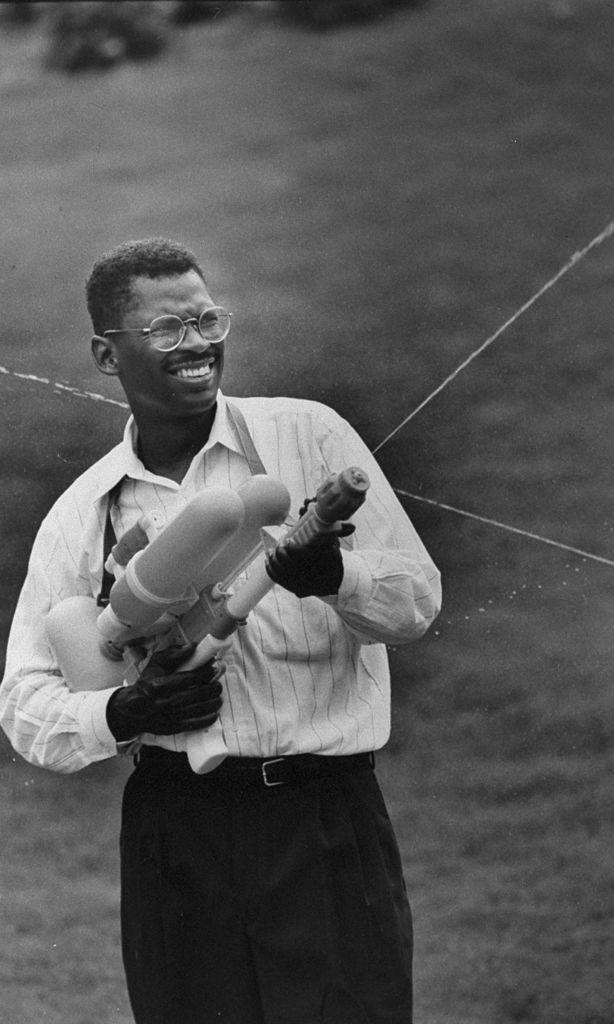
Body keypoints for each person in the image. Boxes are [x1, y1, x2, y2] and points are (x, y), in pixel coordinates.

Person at [0, 238, 441, 1024]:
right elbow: (25, 702)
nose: (199, 342)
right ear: (108, 354)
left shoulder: (309, 436)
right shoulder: (85, 512)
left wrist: (336, 577)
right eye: (167, 329)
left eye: (207, 319)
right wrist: (123, 713)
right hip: (178, 838)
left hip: (323, 821)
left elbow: (418, 602)